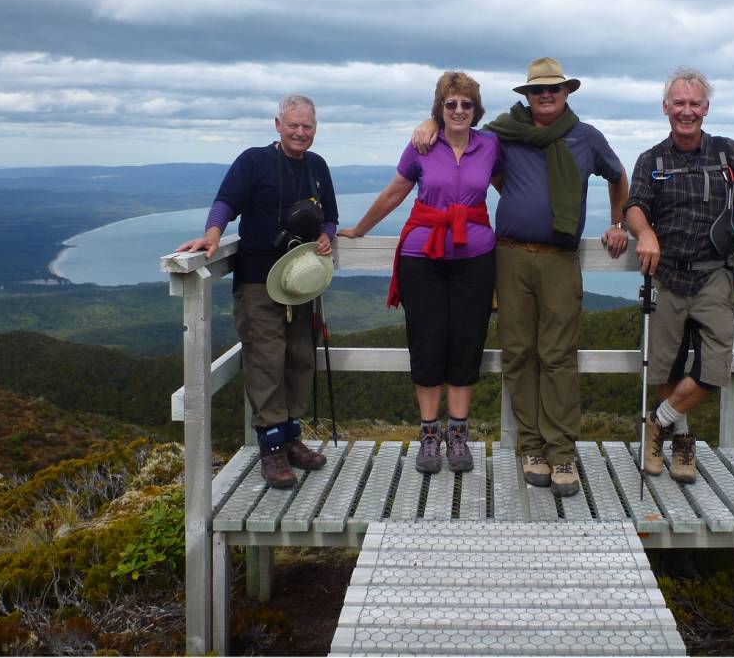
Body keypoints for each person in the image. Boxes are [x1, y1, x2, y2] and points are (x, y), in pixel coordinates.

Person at [413, 57, 629, 497]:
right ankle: (531, 448)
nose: (545, 96)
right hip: (509, 257)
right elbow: (462, 131)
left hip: (559, 258)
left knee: (557, 355)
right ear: (526, 96)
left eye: (553, 89)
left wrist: (619, 223)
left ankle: (562, 452)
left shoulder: (584, 137)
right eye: (537, 91)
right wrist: (428, 123)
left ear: (567, 93)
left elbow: (617, 175)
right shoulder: (504, 133)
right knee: (518, 353)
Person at [624, 67, 734, 483]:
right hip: (666, 276)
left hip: (714, 275)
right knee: (664, 367)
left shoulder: (725, 154)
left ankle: (656, 424)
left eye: (694, 103)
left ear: (706, 108)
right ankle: (681, 443)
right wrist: (644, 233)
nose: (686, 111)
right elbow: (634, 207)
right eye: (679, 103)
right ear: (665, 108)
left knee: (715, 367)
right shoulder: (651, 160)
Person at [340, 72, 501, 475]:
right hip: (421, 256)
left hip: (475, 258)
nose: (459, 110)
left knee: (467, 342)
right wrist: (360, 230)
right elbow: (395, 191)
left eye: (466, 104)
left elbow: (515, 185)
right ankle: (430, 435)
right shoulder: (422, 145)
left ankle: (458, 435)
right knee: (427, 342)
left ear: (476, 109)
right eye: (451, 104)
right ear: (439, 109)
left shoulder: (491, 145)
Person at [177, 94, 339, 489]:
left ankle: (291, 438)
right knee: (266, 360)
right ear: (278, 124)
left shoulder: (317, 167)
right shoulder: (253, 161)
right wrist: (212, 236)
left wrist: (326, 236)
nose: (301, 132)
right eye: (294, 125)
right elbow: (227, 202)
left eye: (307, 126)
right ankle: (272, 451)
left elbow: (330, 217)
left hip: (301, 282)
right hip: (257, 283)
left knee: (300, 357)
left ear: (314, 129)